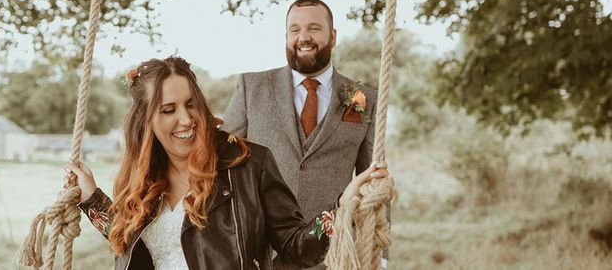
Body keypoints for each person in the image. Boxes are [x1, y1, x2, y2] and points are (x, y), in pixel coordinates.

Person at [66, 56, 389, 270]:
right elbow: (128, 239)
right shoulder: (143, 175)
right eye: (169, 110)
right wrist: (91, 199)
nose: (186, 119)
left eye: (191, 105)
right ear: (146, 121)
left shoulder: (250, 165)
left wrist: (342, 208)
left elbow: (295, 247)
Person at [221, 0, 387, 270]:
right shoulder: (252, 87)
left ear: (333, 37)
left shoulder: (363, 98)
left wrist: (378, 256)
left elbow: (375, 182)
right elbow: (223, 165)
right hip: (261, 252)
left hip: (332, 252)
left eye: (314, 28)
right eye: (294, 29)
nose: (303, 37)